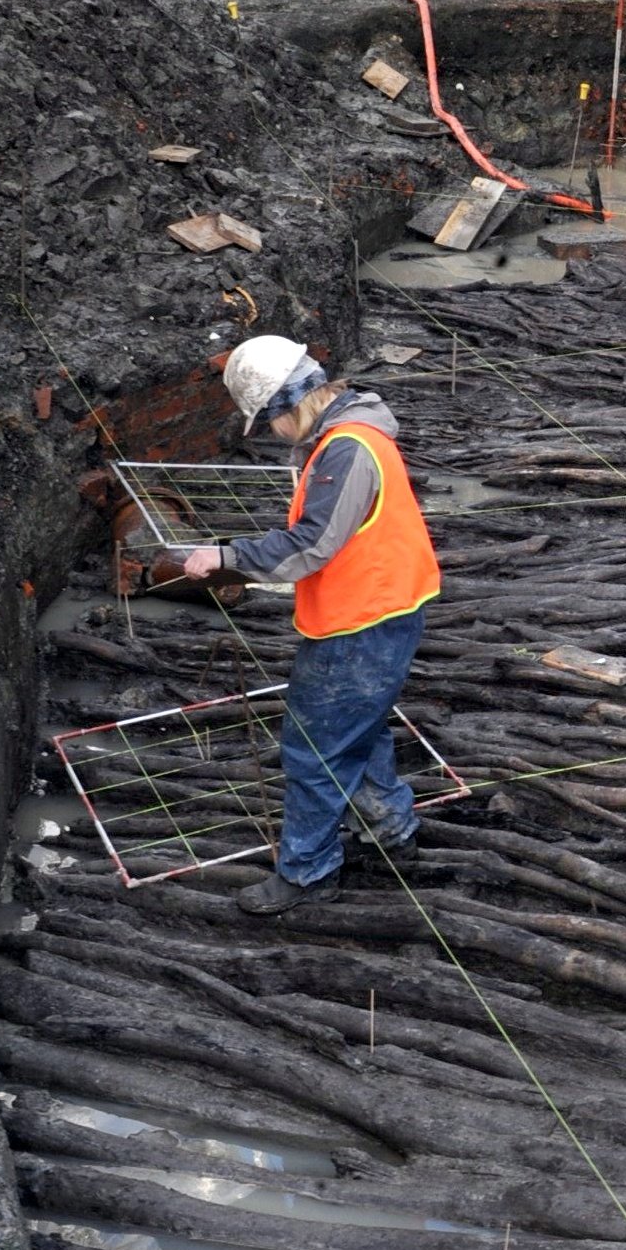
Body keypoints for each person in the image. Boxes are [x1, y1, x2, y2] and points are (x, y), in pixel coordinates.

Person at [181, 335, 440, 916]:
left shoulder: (348, 448)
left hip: (363, 622)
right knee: (360, 730)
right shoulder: (346, 435)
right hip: (381, 610)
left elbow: (313, 544)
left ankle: (308, 872)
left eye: (269, 422)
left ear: (290, 404)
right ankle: (392, 835)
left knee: (315, 750)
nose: (271, 434)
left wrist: (228, 557)